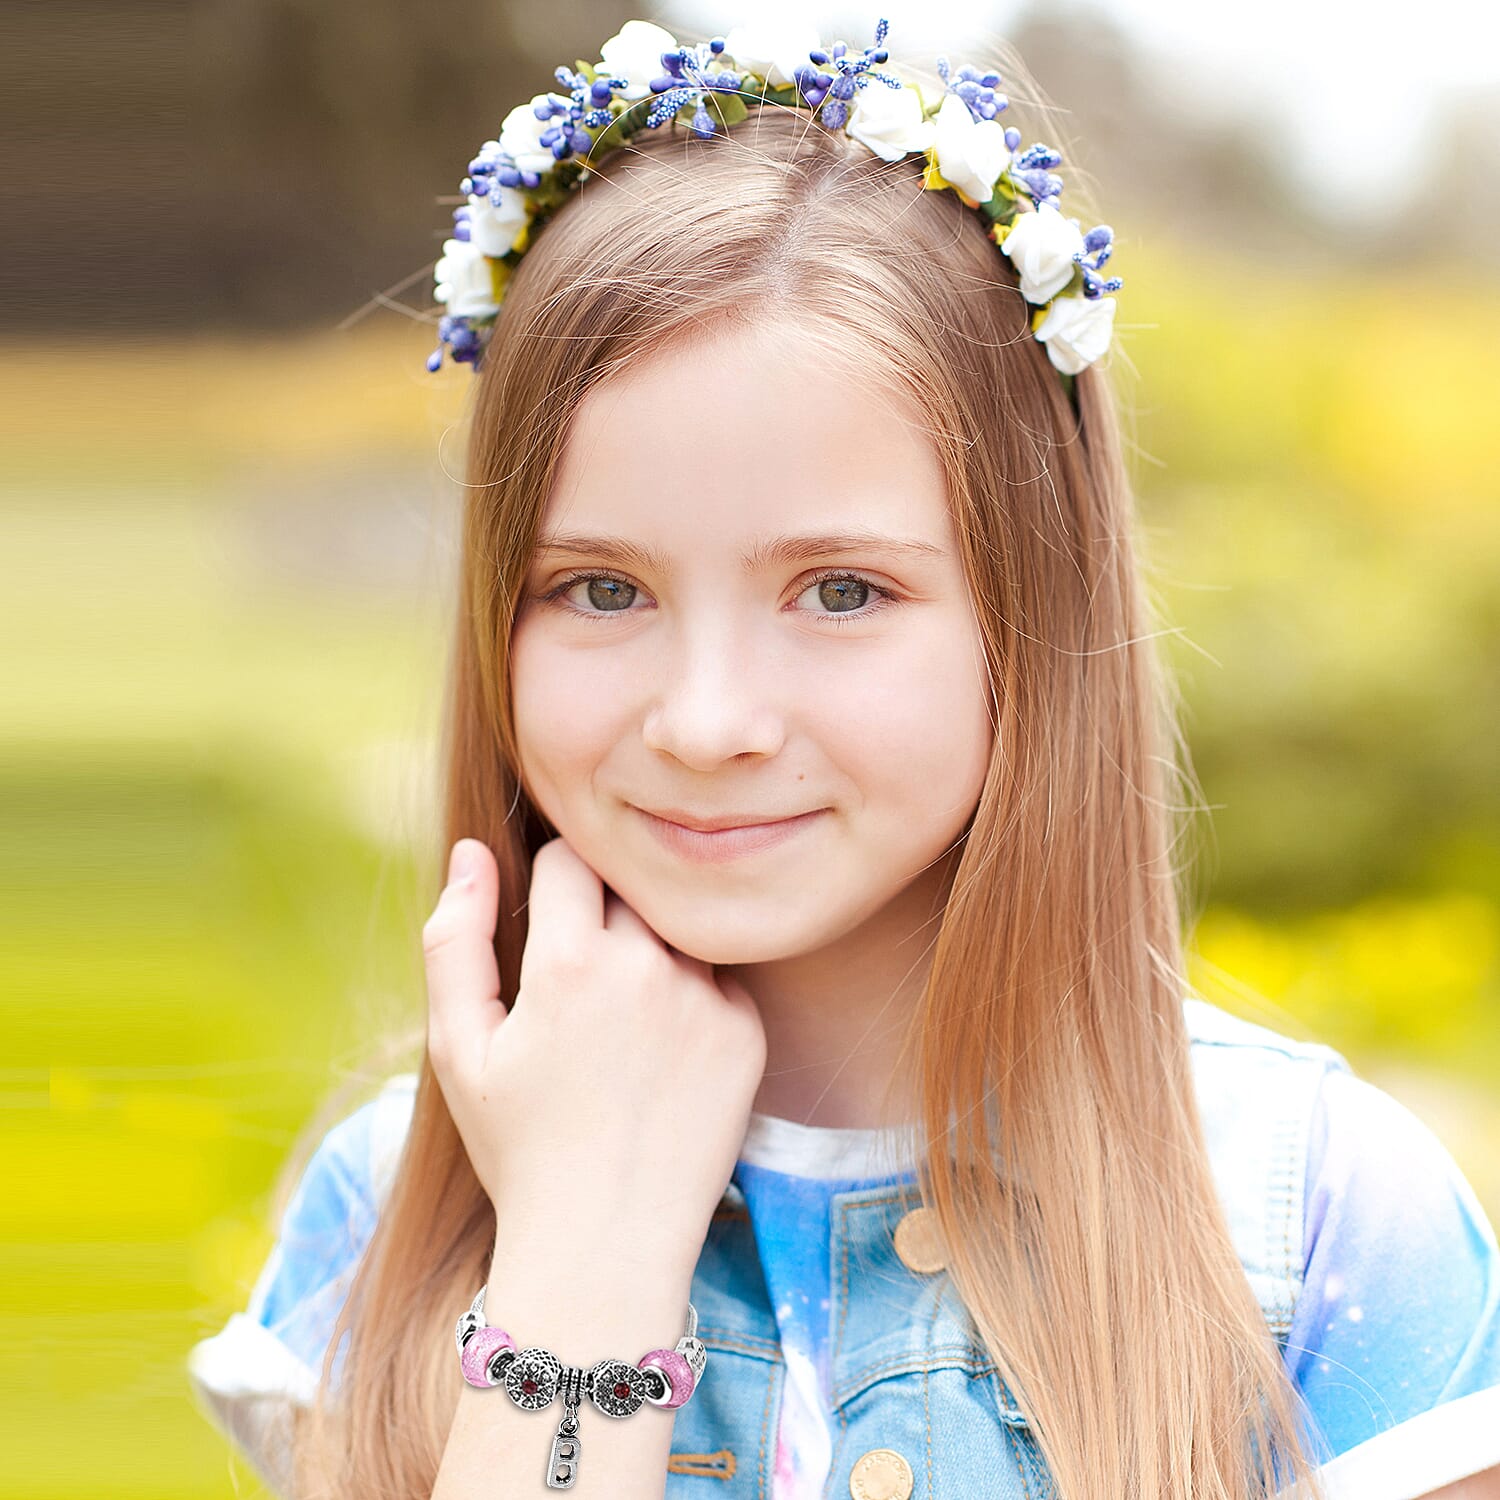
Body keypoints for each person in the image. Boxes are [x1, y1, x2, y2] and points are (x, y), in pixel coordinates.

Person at [186, 15, 1500, 1500]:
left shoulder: (1315, 1217)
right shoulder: (387, 1222)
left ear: (1029, 607)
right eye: (601, 590)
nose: (706, 720)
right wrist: (583, 1253)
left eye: (842, 592)